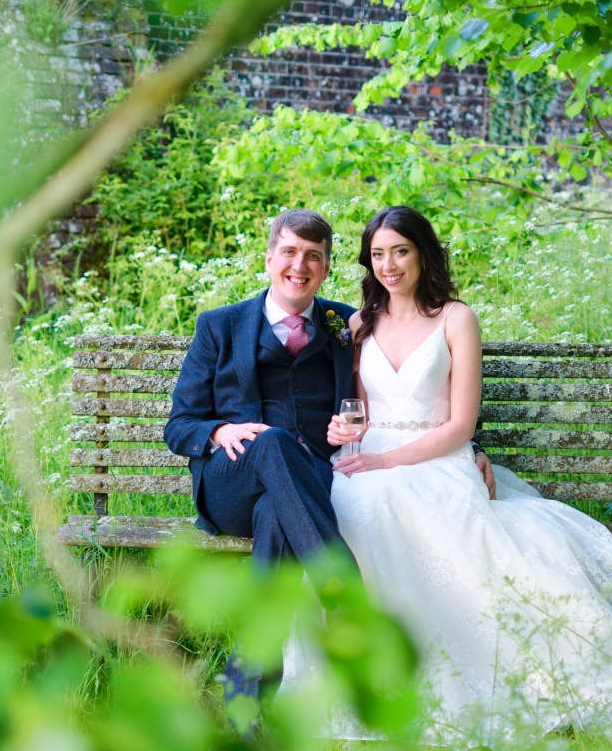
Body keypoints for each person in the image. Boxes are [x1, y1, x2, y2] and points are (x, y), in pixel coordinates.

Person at [281, 206, 612, 742]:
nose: (389, 265)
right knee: (349, 506)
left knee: (404, 502)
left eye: (401, 251)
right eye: (379, 254)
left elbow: (460, 423)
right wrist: (346, 433)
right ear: (368, 261)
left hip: (437, 457)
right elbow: (359, 410)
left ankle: (471, 674)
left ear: (422, 253)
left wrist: (389, 460)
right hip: (368, 458)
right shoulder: (360, 323)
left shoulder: (456, 318)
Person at [163, 208, 494, 713]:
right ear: (270, 258)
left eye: (313, 257)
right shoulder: (220, 326)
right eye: (290, 253)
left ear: (326, 266)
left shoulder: (345, 325)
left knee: (279, 512)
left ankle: (249, 682)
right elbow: (178, 426)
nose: (300, 265)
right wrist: (218, 429)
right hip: (231, 481)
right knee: (273, 442)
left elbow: (406, 400)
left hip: (304, 486)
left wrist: (471, 448)